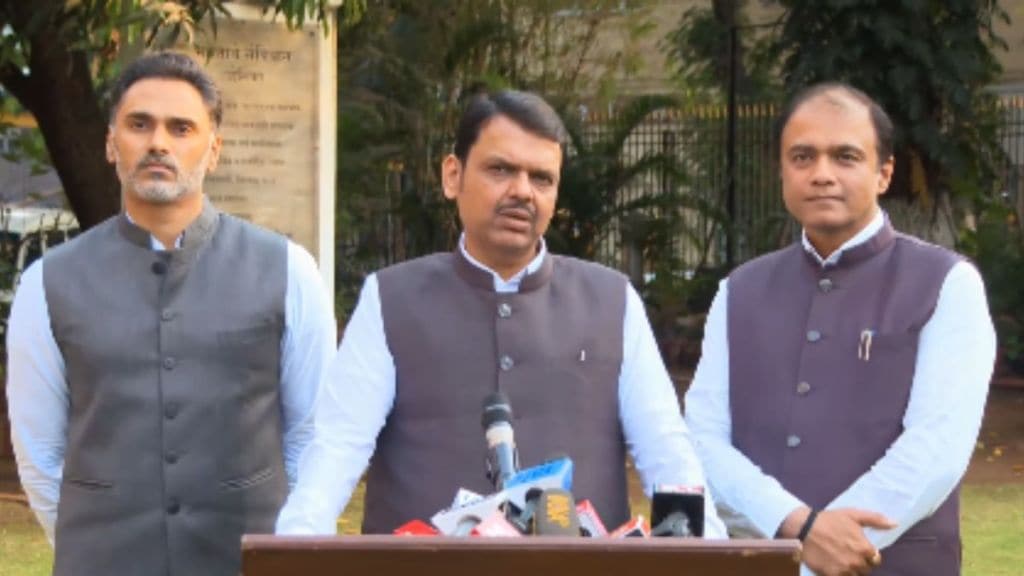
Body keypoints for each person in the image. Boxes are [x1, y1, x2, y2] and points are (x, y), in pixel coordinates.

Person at [275, 89, 726, 537]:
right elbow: (336, 448)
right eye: (501, 169)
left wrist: (709, 551)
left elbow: (667, 453)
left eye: (541, 179)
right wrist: (295, 546)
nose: (522, 191)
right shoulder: (391, 299)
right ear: (453, 176)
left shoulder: (612, 300)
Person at [5, 52, 336, 576]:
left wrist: (285, 547)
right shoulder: (46, 283)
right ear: (111, 143)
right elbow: (39, 454)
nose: (158, 143)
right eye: (140, 125)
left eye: (181, 128)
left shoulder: (290, 271)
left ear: (214, 149)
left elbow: (312, 436)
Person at [684, 82, 996, 576]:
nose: (822, 174)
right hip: (762, 561)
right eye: (802, 157)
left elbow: (936, 450)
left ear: (883, 173)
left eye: (845, 156)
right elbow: (702, 439)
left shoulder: (947, 284)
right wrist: (795, 526)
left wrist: (829, 547)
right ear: (782, 171)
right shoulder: (739, 291)